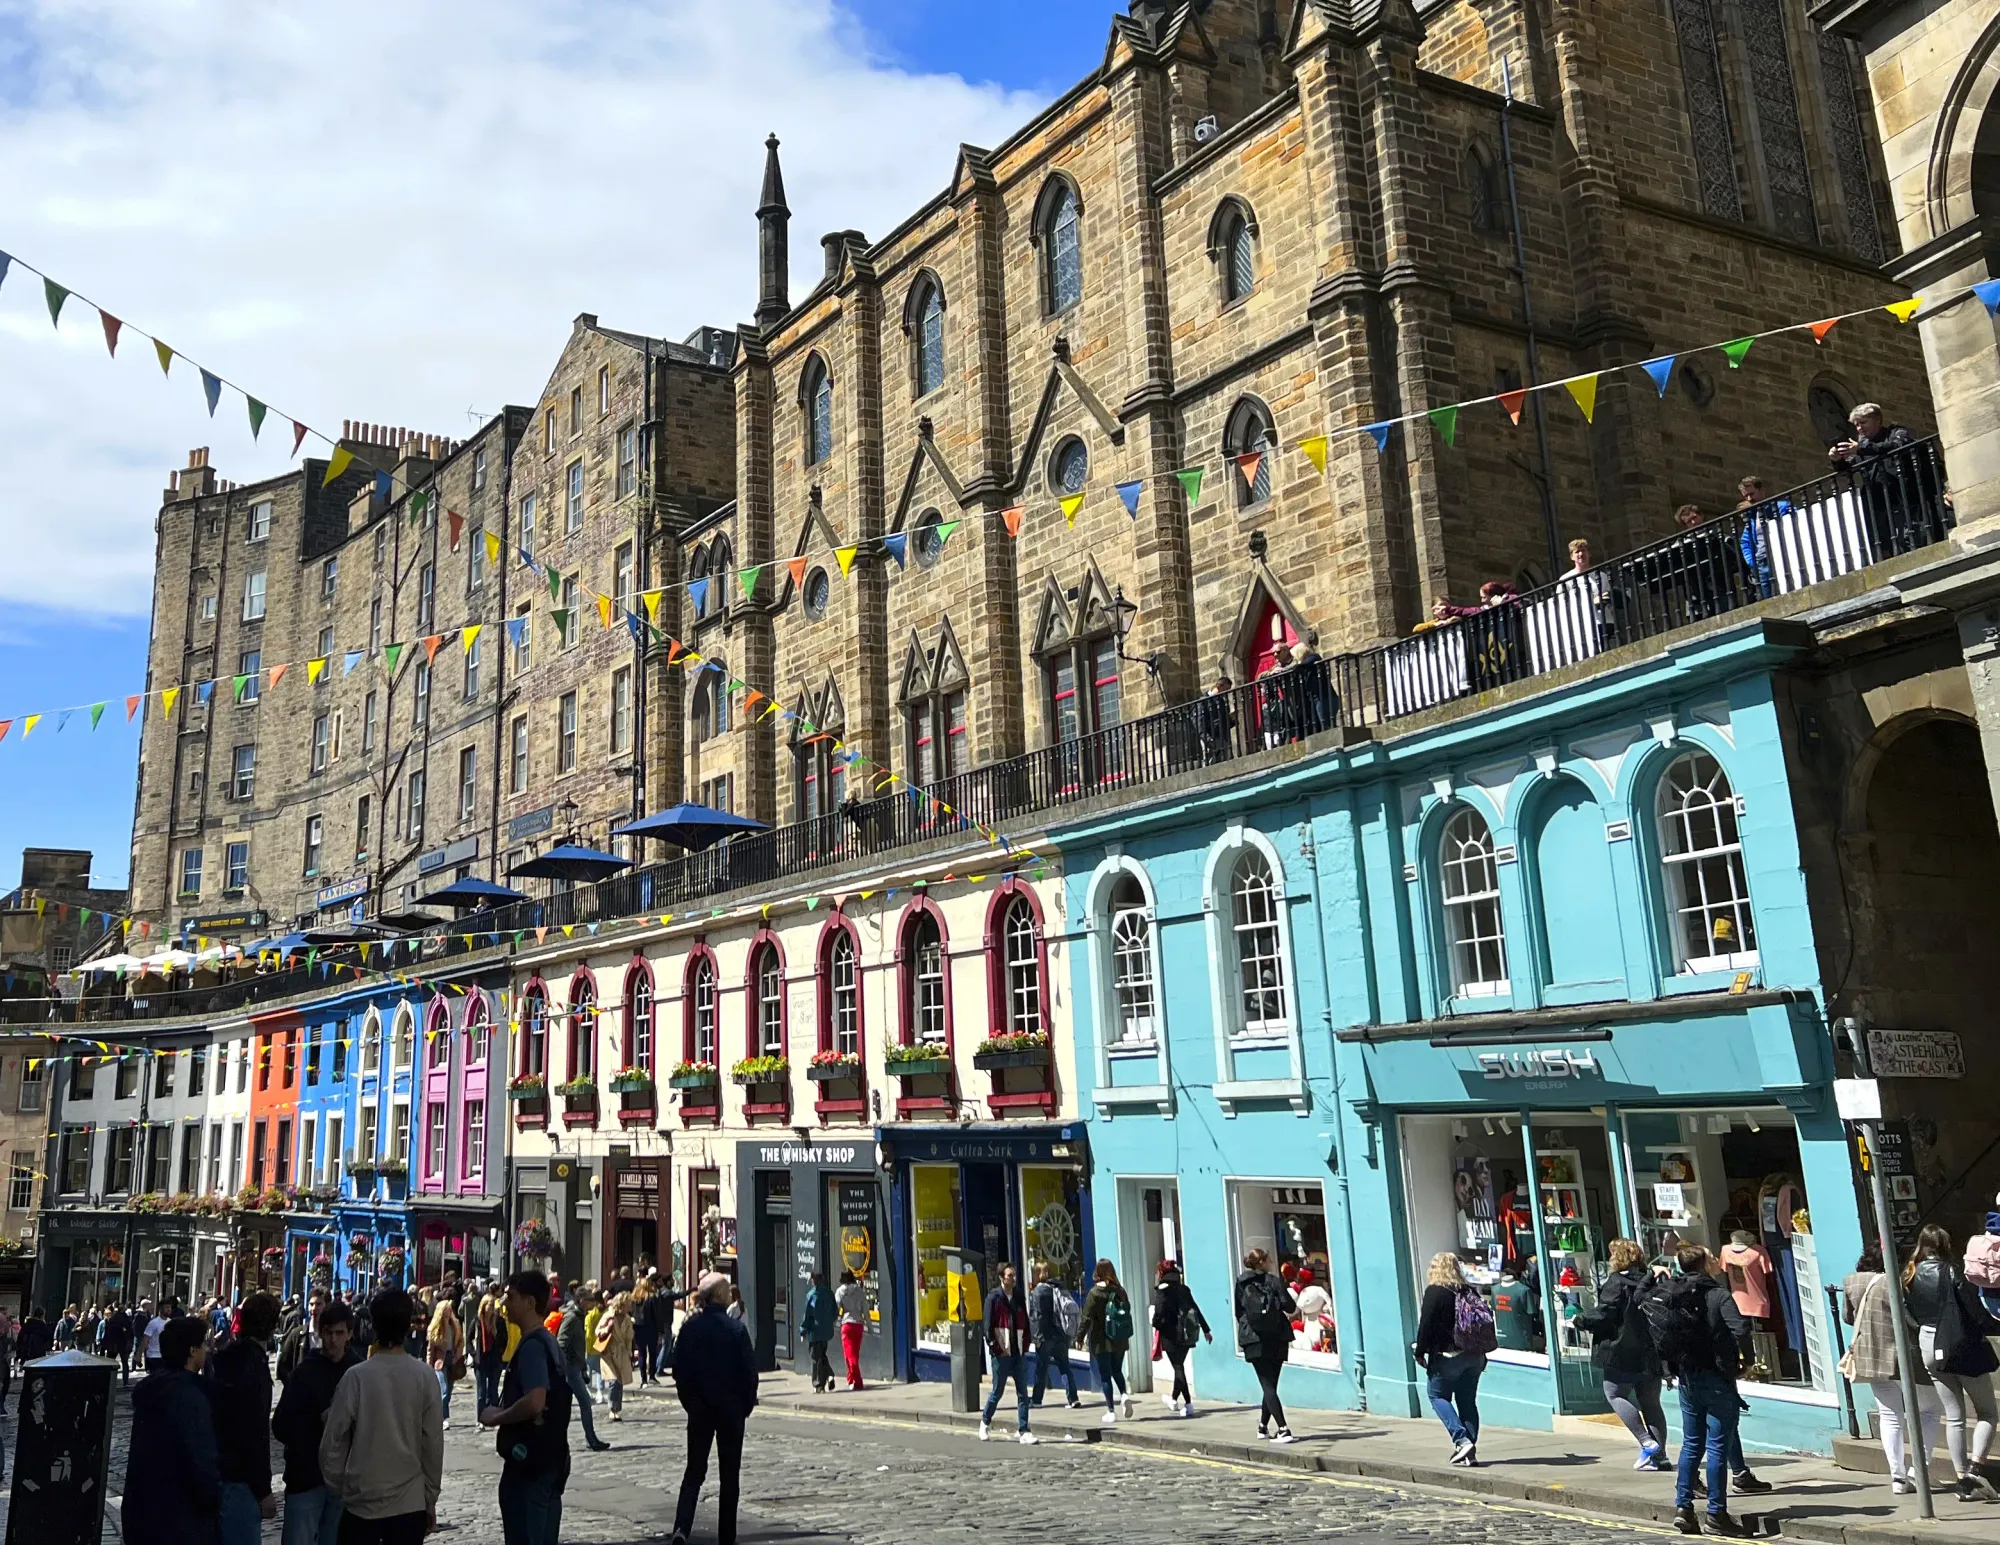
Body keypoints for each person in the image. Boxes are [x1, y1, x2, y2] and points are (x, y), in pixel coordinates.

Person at [322, 1289, 445, 1545]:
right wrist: (429, 1498)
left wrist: (341, 1488)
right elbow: (433, 1445)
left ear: (374, 1326)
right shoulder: (424, 1377)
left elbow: (332, 1442)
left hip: (361, 1503)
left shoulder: (356, 1377)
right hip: (408, 1505)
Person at [1655, 1245, 1752, 1536]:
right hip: (1717, 1378)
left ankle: (1684, 1509)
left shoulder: (1674, 1294)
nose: (1713, 1261)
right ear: (1701, 1265)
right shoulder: (1718, 1294)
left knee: (1691, 1444)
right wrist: (1746, 1363)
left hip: (1686, 1377)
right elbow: (1742, 1329)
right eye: (1710, 1258)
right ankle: (1716, 1514)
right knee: (1718, 1446)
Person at [1904, 1224, 2000, 1502]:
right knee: (1987, 1413)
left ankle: (1961, 1479)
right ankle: (1975, 1469)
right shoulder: (1953, 1271)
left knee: (1954, 1415)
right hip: (1958, 1343)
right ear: (1946, 1245)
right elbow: (1972, 1310)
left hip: (1927, 1342)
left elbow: (1908, 1313)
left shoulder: (1909, 1274)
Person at [480, 1271, 573, 1545]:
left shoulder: (534, 1345)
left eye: (511, 1297)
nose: (504, 1303)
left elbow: (536, 1401)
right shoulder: (547, 1341)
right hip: (549, 1458)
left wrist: (497, 1417)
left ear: (530, 1302)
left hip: (530, 1463)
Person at [669, 1272, 759, 1545]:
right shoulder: (736, 1330)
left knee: (694, 1472)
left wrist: (691, 1404)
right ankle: (726, 1537)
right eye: (727, 1291)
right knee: (729, 1477)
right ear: (720, 1296)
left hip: (700, 1409)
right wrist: (744, 1406)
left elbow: (679, 1372)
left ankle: (681, 1529)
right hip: (731, 1411)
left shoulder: (690, 1328)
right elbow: (749, 1374)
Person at [1842, 1246, 1939, 1496]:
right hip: (1905, 1356)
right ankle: (1919, 1471)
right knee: (1928, 1412)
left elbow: (1849, 1318)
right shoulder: (1900, 1282)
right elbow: (1913, 1318)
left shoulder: (1852, 1281)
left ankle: (1897, 1477)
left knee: (1890, 1416)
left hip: (1871, 1357)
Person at [121, 1317, 221, 1545]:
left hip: (146, 1509)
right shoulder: (190, 1397)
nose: (206, 1350)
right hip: (182, 1517)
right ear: (192, 1351)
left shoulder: (154, 1391)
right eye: (203, 1345)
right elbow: (201, 1458)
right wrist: (213, 1496)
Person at [271, 1299, 362, 1545]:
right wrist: (317, 1422)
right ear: (320, 1333)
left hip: (345, 1481)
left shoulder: (359, 1372)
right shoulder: (305, 1372)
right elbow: (280, 1426)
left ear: (349, 1334)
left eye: (339, 1333)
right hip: (307, 1476)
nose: (333, 1340)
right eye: (328, 1332)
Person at [1578, 1238, 1668, 1469]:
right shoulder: (1652, 1282)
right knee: (1651, 1404)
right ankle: (1659, 1457)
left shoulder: (1616, 1282)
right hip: (1651, 1351)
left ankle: (1647, 1442)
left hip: (1621, 1351)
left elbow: (1605, 1314)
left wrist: (1580, 1319)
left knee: (1614, 1394)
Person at [212, 1290, 280, 1545]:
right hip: (240, 1480)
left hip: (216, 1470)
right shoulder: (254, 1366)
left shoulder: (225, 1359)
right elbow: (255, 1432)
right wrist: (263, 1490)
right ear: (272, 1327)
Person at [1413, 1251, 1491, 1467]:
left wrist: (1420, 1351)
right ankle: (1469, 1451)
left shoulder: (1435, 1292)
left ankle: (1462, 1440)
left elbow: (1426, 1325)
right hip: (1475, 1356)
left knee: (1437, 1395)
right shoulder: (1468, 1291)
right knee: (1467, 1401)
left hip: (1448, 1355)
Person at [1234, 1247, 1297, 1444]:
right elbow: (1290, 1307)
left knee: (1268, 1386)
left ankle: (1263, 1427)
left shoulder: (1242, 1282)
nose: (1271, 1263)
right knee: (1271, 1385)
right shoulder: (1274, 1281)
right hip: (1277, 1337)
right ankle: (1283, 1429)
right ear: (1261, 1262)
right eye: (1269, 1259)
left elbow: (1238, 1311)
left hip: (1253, 1339)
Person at [978, 1261, 1038, 1444]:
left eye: (1014, 1275)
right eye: (1009, 1275)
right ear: (1001, 1278)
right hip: (1001, 1354)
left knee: (1023, 1393)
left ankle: (1024, 1430)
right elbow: (987, 1327)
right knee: (997, 1391)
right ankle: (984, 1422)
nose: (1013, 1279)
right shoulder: (993, 1298)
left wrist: (1026, 1344)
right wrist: (995, 1348)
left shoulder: (1018, 1296)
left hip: (1018, 1353)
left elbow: (1025, 1321)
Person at [554, 1279, 613, 1452]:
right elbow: (562, 1342)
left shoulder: (578, 1316)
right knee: (584, 1403)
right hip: (569, 1369)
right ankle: (590, 1439)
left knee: (565, 1406)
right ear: (581, 1301)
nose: (591, 1305)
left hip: (575, 1367)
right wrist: (568, 1366)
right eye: (589, 1302)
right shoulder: (572, 1317)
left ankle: (571, 1440)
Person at [1152, 1260, 1212, 1416]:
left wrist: (1155, 1324)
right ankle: (1173, 1399)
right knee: (1179, 1366)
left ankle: (1188, 1403)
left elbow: (1159, 1312)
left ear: (1162, 1274)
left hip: (1170, 1334)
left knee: (1178, 1367)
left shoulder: (1163, 1290)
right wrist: (1206, 1329)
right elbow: (1195, 1308)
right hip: (1187, 1333)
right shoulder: (1184, 1289)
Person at [1081, 1258, 1135, 1425]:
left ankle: (1111, 1411)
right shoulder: (1120, 1291)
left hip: (1101, 1340)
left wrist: (1078, 1336)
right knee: (1117, 1370)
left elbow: (1086, 1317)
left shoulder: (1095, 1293)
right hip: (1120, 1338)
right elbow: (1128, 1309)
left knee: (1105, 1376)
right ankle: (1124, 1395)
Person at [1028, 1262, 1082, 1409]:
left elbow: (1037, 1317)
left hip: (1045, 1336)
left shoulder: (1038, 1292)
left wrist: (1035, 1337)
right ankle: (1073, 1398)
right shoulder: (1059, 1288)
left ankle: (1037, 1400)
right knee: (1065, 1366)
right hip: (1061, 1334)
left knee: (1041, 1368)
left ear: (1036, 1274)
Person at [427, 1295, 466, 1430]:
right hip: (440, 1361)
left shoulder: (454, 1325)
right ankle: (442, 1418)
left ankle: (440, 1414)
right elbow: (430, 1349)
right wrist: (428, 1366)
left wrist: (458, 1355)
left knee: (448, 1391)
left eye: (450, 1309)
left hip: (452, 1359)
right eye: (447, 1309)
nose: (449, 1311)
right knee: (443, 1389)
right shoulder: (435, 1328)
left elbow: (461, 1341)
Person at [594, 1291, 634, 1422]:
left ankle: (617, 1409)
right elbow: (597, 1331)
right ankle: (612, 1409)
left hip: (621, 1353)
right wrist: (606, 1330)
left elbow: (629, 1338)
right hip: (609, 1352)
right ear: (621, 1304)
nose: (630, 1306)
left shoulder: (627, 1318)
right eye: (628, 1304)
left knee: (620, 1381)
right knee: (613, 1380)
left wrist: (629, 1353)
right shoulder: (609, 1315)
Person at [476, 1284, 510, 1413]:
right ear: (483, 1306)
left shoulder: (499, 1321)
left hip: (495, 1360)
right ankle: (481, 1417)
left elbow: (505, 1339)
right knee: (481, 1392)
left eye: (492, 1305)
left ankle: (494, 1415)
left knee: (493, 1390)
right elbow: (469, 1339)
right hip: (481, 1360)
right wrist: (474, 1354)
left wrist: (500, 1353)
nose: (490, 1308)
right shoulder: (478, 1322)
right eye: (488, 1305)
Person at [801, 1271, 836, 1393]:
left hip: (814, 1331)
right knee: (822, 1355)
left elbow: (807, 1315)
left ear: (814, 1280)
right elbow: (835, 1312)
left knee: (815, 1357)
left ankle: (819, 1385)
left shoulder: (812, 1295)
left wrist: (803, 1331)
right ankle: (829, 1374)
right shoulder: (829, 1293)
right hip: (826, 1331)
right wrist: (829, 1322)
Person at [836, 1269, 868, 1391]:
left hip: (847, 1325)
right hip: (859, 1325)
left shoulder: (840, 1291)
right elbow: (866, 1310)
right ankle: (850, 1378)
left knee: (849, 1355)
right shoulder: (860, 1291)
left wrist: (834, 1322)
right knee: (854, 1354)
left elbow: (836, 1308)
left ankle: (858, 1381)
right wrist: (869, 1326)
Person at [1198, 673, 1237, 763]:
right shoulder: (1203, 701)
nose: (1226, 692)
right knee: (1210, 763)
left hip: (1222, 737)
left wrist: (1232, 720)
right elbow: (1200, 723)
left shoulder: (1221, 701)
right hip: (1211, 737)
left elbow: (1222, 720)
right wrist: (1208, 739)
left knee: (1224, 762)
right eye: (1226, 689)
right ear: (1220, 686)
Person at [633, 1275, 662, 1386]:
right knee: (652, 1352)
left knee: (642, 1353)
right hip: (651, 1328)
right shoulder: (652, 1297)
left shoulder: (635, 1298)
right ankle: (652, 1376)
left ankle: (643, 1379)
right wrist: (660, 1331)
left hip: (638, 1328)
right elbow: (656, 1315)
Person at [142, 1298, 170, 1375]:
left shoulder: (171, 1322)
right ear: (160, 1309)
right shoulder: (153, 1323)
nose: (169, 1309)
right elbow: (145, 1339)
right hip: (153, 1356)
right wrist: (138, 1356)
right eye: (166, 1307)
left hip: (165, 1356)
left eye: (169, 1307)